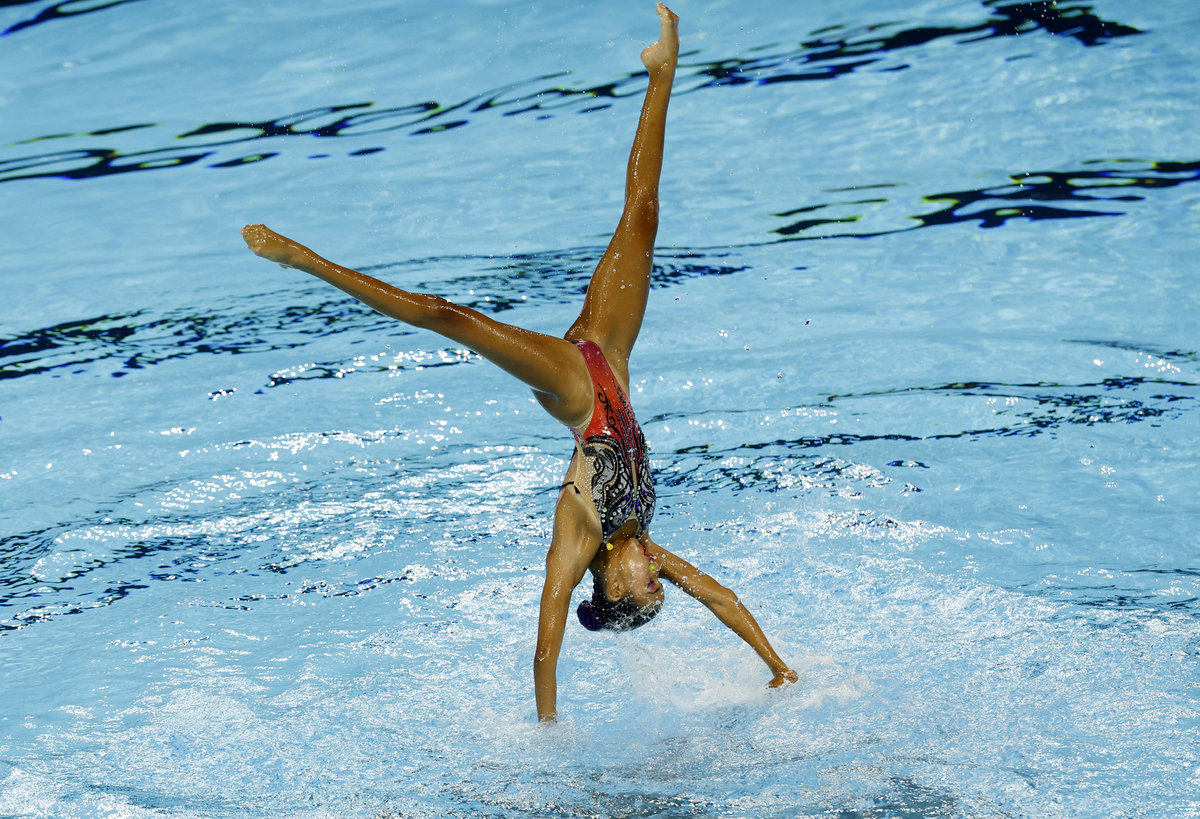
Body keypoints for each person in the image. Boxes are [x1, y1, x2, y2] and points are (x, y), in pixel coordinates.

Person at [241, 3, 797, 722]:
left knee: (447, 315)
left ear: (614, 589)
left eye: (647, 590)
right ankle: (662, 71)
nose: (659, 579)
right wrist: (779, 667)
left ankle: (304, 259)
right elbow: (721, 596)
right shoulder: (642, 542)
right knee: (643, 214)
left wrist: (548, 730)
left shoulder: (581, 540)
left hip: (576, 392)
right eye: (660, 586)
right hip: (612, 358)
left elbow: (545, 646)